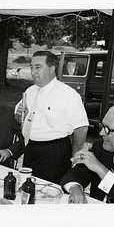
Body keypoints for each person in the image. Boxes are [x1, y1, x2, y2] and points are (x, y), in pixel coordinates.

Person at [15, 51, 89, 184]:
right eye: (31, 67)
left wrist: (74, 157)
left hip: (54, 153)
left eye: (38, 67)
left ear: (52, 68)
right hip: (30, 150)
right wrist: (20, 115)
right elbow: (17, 118)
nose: (33, 72)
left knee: (49, 193)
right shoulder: (30, 91)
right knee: (28, 187)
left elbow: (81, 128)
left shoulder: (67, 94)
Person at [61, 106, 114, 203]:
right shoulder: (100, 146)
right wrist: (75, 187)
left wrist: (99, 168)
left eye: (107, 129)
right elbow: (76, 173)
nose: (101, 133)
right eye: (102, 126)